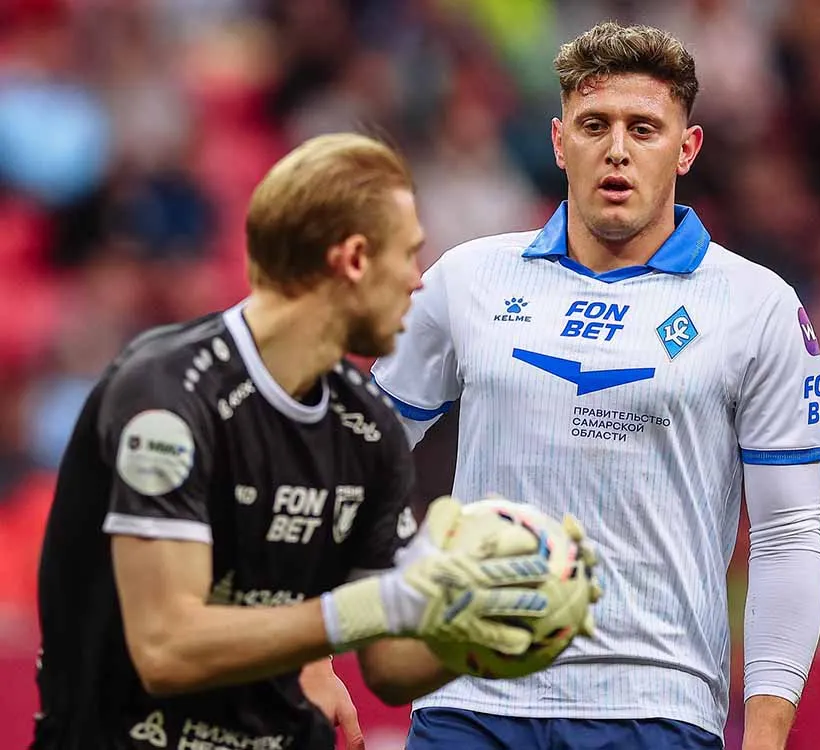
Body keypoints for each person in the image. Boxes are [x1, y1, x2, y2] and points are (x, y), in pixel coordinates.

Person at [33, 133, 589, 750]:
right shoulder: (166, 392)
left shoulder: (367, 430)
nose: (417, 282)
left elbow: (389, 668)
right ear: (353, 260)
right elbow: (166, 650)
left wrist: (494, 618)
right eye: (408, 255)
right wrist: (378, 605)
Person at [371, 21, 820, 750]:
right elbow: (358, 461)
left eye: (643, 129)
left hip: (656, 704)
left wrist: (766, 738)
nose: (617, 149)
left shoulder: (758, 306)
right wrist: (320, 647)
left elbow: (788, 536)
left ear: (687, 148)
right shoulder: (467, 278)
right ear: (560, 143)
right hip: (470, 696)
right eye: (594, 126)